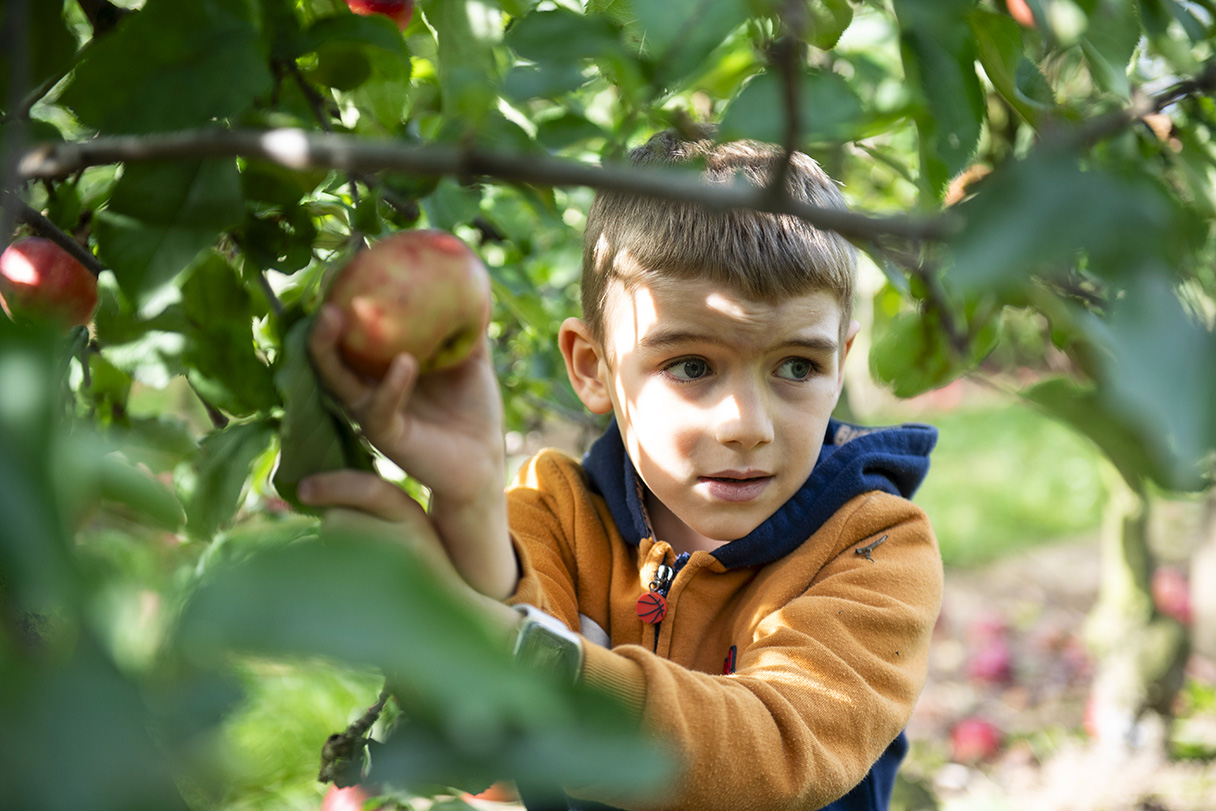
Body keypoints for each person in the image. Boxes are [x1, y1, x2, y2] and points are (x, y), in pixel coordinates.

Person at [302, 127, 944, 811]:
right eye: (691, 366)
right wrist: (467, 501)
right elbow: (489, 764)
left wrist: (500, 642)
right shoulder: (550, 515)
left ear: (840, 361)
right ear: (592, 367)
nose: (746, 424)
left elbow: (778, 751)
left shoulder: (873, 546)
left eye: (797, 366)